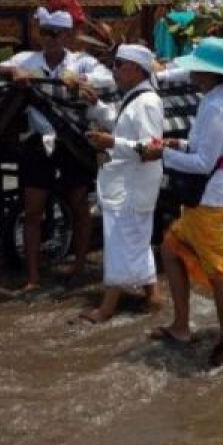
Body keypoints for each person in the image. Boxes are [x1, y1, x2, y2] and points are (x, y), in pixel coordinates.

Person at [142, 38, 223, 368]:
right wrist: (179, 143)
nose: (191, 73)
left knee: (220, 275)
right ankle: (181, 325)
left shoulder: (215, 105)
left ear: (209, 73)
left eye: (197, 68)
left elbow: (204, 163)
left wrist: (164, 153)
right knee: (170, 249)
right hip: (221, 193)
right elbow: (209, 149)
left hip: (209, 200)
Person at [0, 8, 113, 294]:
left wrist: (83, 82)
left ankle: (79, 266)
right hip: (38, 142)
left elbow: (107, 79)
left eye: (55, 34)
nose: (49, 39)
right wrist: (13, 70)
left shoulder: (83, 62)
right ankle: (33, 277)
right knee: (32, 210)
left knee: (79, 205)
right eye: (45, 33)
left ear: (68, 35)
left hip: (72, 141)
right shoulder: (27, 60)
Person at [80, 44, 165, 322]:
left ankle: (107, 308)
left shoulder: (147, 102)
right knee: (136, 241)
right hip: (130, 184)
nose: (114, 70)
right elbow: (121, 124)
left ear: (136, 69)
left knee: (119, 242)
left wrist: (112, 142)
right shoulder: (135, 98)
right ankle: (153, 297)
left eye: (119, 64)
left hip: (133, 186)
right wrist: (97, 106)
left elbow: (151, 148)